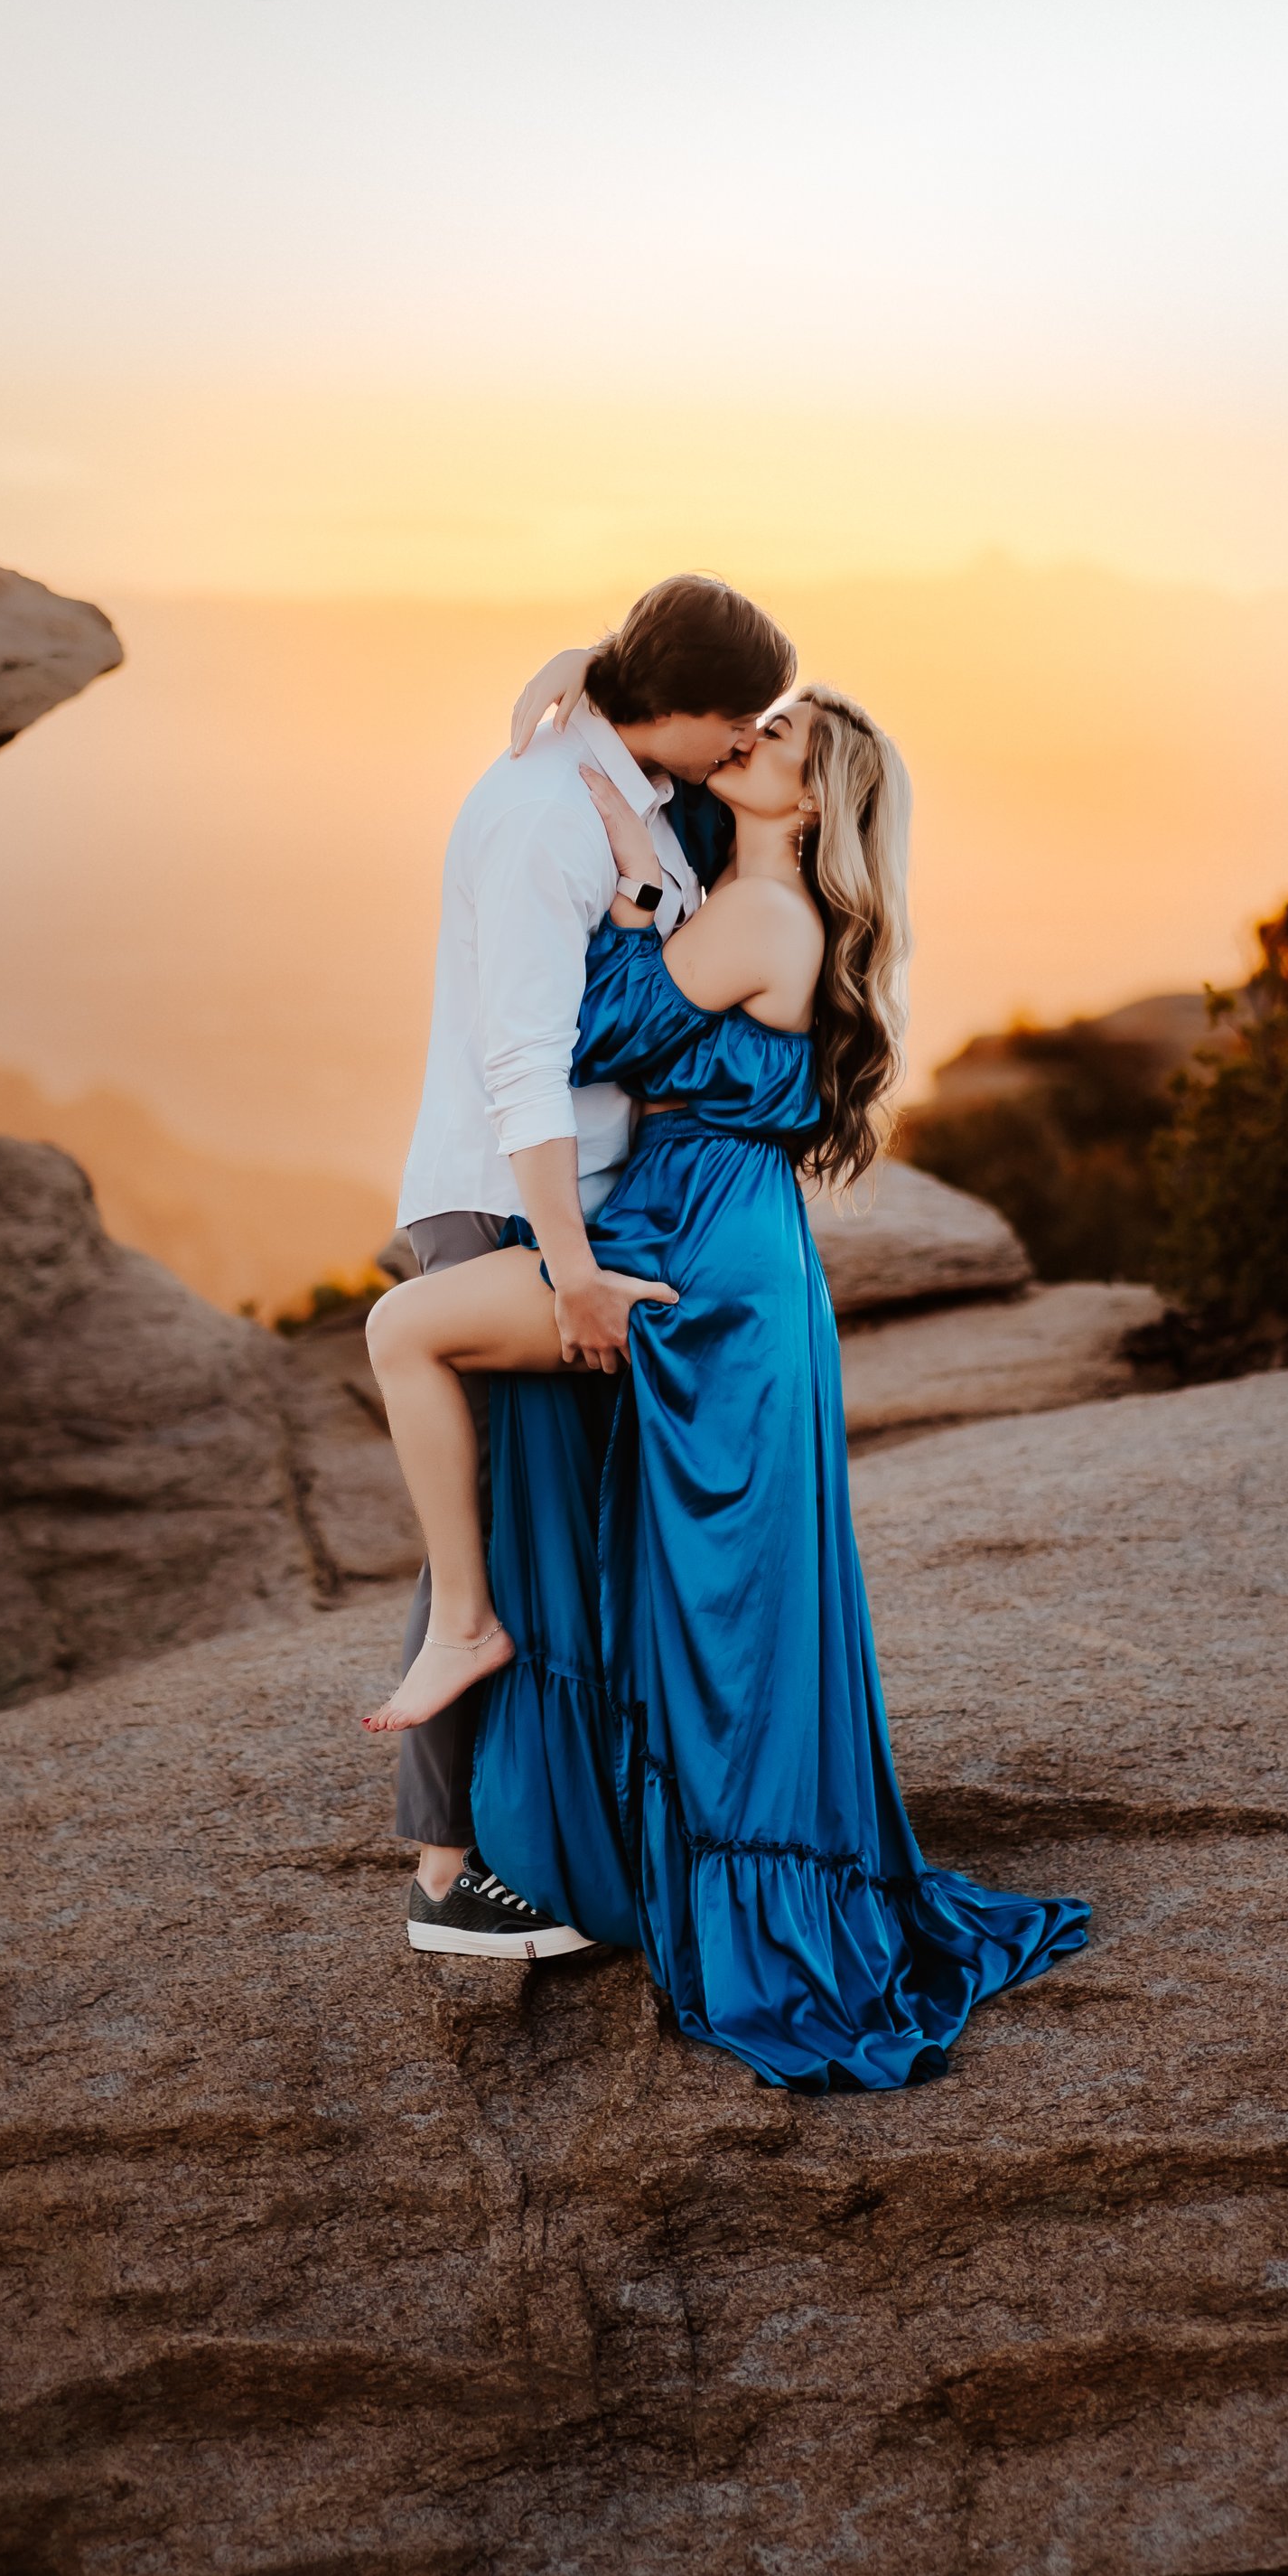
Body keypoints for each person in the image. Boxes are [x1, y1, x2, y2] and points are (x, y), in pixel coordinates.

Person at [364, 679, 1089, 2088]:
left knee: (427, 1342)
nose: (750, 740)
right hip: (713, 1234)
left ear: (815, 803)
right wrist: (595, 681)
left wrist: (633, 887)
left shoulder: (758, 916)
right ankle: (604, 1824)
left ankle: (481, 1645)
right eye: (751, 725)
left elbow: (590, 1023)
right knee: (689, 1580)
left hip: (705, 1258)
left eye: (784, 743)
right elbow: (666, 711)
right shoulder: (742, 883)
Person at [382, 572, 798, 1958]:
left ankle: (524, 1831)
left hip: (592, 1216)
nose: (744, 745)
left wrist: (574, 663)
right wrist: (563, 1261)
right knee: (486, 1542)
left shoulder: (628, 777)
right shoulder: (541, 815)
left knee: (529, 1539)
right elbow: (523, 1064)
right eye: (732, 723)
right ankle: (451, 1870)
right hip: (512, 1207)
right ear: (671, 708)